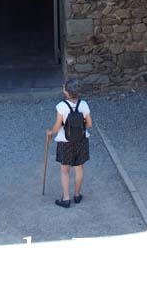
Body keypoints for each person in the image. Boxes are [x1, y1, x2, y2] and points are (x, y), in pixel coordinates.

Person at [45, 79, 92, 208]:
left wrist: (50, 132)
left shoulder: (61, 106)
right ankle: (77, 195)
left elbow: (57, 126)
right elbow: (89, 124)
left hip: (65, 142)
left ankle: (66, 198)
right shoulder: (84, 105)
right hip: (81, 141)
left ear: (66, 91)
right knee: (79, 168)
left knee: (65, 170)